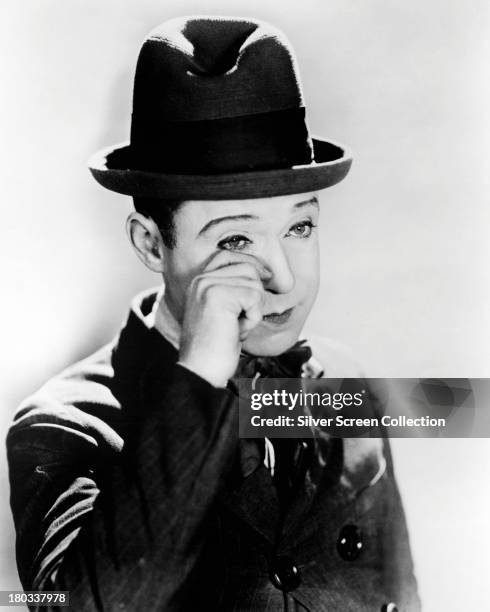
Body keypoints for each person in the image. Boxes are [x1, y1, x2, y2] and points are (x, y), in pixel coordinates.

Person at [6, 16, 420, 612]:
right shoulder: (63, 424)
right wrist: (199, 375)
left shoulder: (347, 385)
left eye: (299, 226)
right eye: (234, 242)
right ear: (152, 244)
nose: (284, 277)